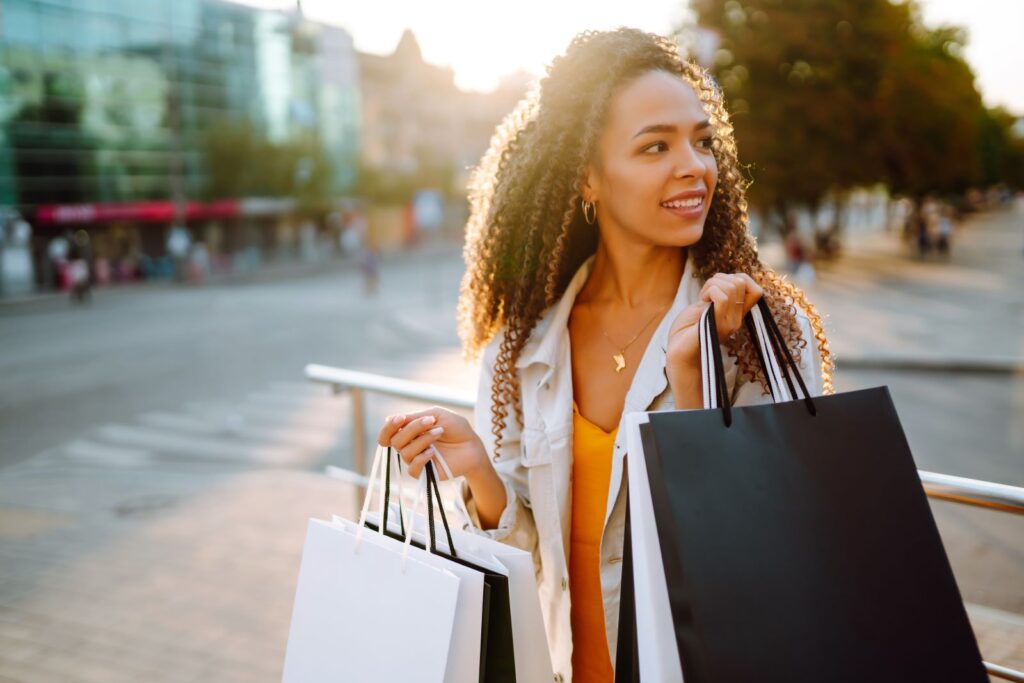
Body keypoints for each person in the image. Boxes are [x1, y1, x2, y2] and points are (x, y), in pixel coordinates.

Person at [376, 28, 834, 683]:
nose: (694, 167)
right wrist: (478, 468)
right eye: (655, 146)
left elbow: (768, 553)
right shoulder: (523, 344)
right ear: (587, 177)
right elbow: (528, 559)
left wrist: (692, 391)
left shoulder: (757, 326)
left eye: (702, 141)